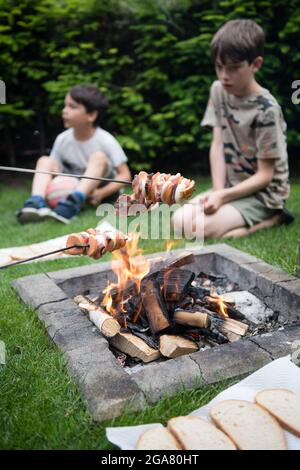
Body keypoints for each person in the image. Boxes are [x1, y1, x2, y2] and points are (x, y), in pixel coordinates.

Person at [172, 19, 293, 239]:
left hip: (264, 194)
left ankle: (274, 217)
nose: (224, 76)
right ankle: (231, 215)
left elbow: (266, 176)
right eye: (219, 67)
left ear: (255, 64)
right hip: (230, 188)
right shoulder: (218, 90)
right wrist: (219, 192)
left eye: (234, 68)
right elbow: (217, 144)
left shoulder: (267, 109)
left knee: (201, 230)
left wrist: (223, 197)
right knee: (178, 221)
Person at [17, 84, 131, 224]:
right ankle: (36, 202)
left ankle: (72, 203)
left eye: (72, 107)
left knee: (98, 157)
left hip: (99, 190)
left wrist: (101, 193)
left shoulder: (106, 140)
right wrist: (53, 191)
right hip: (72, 186)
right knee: (45, 160)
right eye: (65, 106)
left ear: (91, 115)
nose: (65, 111)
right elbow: (54, 170)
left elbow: (125, 176)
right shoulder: (63, 139)